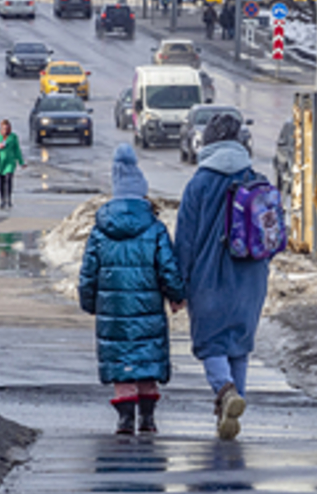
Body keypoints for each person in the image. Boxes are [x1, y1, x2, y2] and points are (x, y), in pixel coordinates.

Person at [174, 114, 270, 440]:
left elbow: (185, 241)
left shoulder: (199, 184)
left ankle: (226, 392)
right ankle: (230, 412)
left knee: (210, 343)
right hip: (250, 277)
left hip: (209, 277)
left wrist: (178, 286)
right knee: (238, 347)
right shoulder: (256, 178)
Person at [79, 144, 185, 435]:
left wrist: (89, 302)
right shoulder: (155, 228)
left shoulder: (100, 230)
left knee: (121, 361)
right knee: (147, 360)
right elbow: (168, 268)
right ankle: (148, 418)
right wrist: (176, 295)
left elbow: (88, 271)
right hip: (148, 308)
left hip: (112, 310)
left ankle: (125, 418)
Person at [0, 119, 25, 209]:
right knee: (1, 181)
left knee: (9, 179)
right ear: (0, 129)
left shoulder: (13, 137)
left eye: (7, 129)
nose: (5, 131)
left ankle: (9, 199)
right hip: (0, 162)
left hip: (10, 162)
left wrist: (21, 162)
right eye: (4, 129)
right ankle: (2, 199)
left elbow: (17, 150)